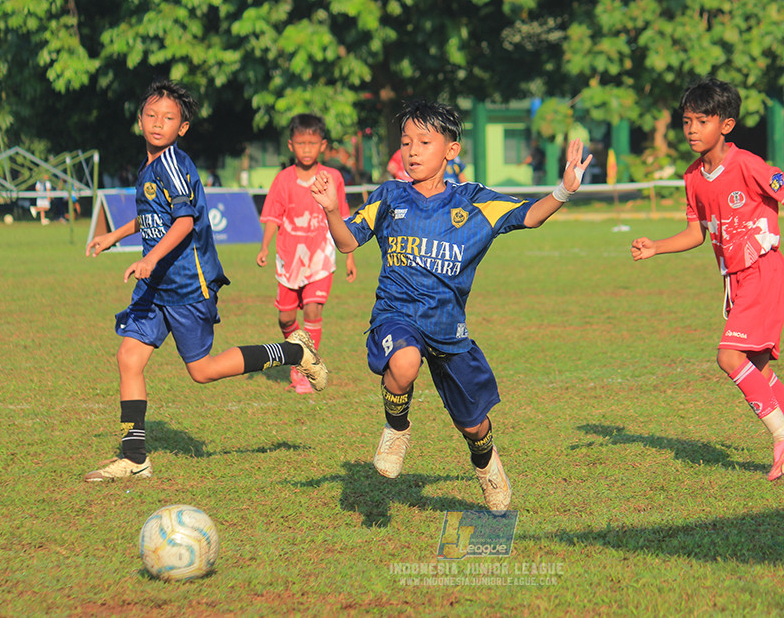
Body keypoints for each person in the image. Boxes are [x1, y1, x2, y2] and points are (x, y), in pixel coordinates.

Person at [309, 99, 592, 513]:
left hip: (447, 327)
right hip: (396, 314)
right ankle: (396, 429)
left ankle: (486, 464)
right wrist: (333, 210)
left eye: (424, 142)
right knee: (403, 362)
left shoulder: (473, 201)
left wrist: (564, 190)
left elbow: (530, 216)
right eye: (406, 142)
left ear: (451, 150)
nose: (412, 151)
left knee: (473, 425)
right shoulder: (389, 196)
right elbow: (348, 241)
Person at [83, 80, 327, 482]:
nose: (158, 123)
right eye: (151, 115)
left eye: (168, 118)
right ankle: (134, 458)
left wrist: (150, 258)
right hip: (156, 286)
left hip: (185, 285)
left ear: (182, 128)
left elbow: (183, 221)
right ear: (140, 119)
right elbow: (153, 215)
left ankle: (293, 352)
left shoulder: (173, 164)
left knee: (203, 370)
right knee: (129, 358)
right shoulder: (149, 164)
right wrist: (115, 235)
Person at [631, 77, 784, 481]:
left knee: (728, 357)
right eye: (687, 121)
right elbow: (696, 233)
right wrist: (657, 246)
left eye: (702, 121)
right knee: (756, 368)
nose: (692, 130)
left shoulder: (747, 164)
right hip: (736, 281)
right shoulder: (693, 177)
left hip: (763, 269)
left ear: (725, 125)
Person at [256, 114, 357, 393]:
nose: (307, 149)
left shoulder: (332, 178)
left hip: (320, 257)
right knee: (286, 319)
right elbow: (273, 217)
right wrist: (265, 246)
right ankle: (297, 352)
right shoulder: (283, 180)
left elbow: (343, 217)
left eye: (312, 143)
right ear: (291, 145)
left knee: (313, 309)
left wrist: (349, 256)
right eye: (301, 143)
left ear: (322, 145)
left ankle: (305, 369)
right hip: (289, 259)